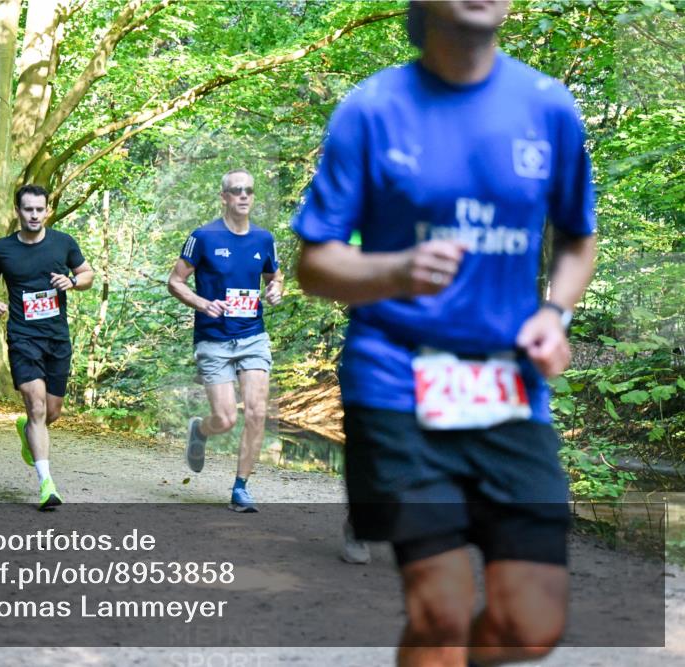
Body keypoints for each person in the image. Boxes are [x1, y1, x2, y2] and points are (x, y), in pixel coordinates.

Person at [293, 2, 596, 665]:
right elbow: (312, 263)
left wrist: (556, 312)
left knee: (531, 623)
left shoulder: (548, 106)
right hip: (397, 379)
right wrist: (394, 269)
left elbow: (578, 236)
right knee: (442, 608)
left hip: (508, 385)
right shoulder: (371, 110)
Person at [168, 169, 284, 513]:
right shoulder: (203, 237)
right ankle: (201, 430)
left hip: (252, 336)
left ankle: (240, 487)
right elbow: (175, 282)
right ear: (224, 197)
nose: (244, 196)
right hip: (214, 340)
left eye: (249, 190)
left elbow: (275, 276)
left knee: (257, 412)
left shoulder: (264, 239)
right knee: (225, 419)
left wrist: (276, 289)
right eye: (236, 191)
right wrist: (203, 303)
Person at [0, 184, 94, 511]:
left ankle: (27, 430)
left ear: (47, 210)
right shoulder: (3, 249)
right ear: (18, 211)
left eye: (39, 209)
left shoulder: (63, 243)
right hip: (23, 337)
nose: (33, 215)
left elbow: (87, 274)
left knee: (51, 412)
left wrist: (72, 282)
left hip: (57, 338)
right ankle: (47, 484)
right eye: (27, 209)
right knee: (36, 405)